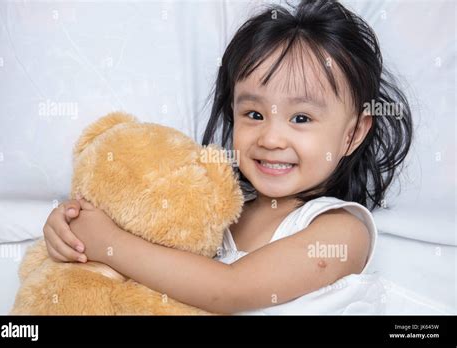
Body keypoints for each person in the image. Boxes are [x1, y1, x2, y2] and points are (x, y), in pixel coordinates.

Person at [42, 0, 412, 314]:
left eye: (301, 118)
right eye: (253, 114)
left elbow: (228, 291)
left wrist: (110, 244)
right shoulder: (220, 212)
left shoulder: (340, 230)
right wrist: (72, 228)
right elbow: (154, 254)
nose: (270, 137)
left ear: (353, 133)